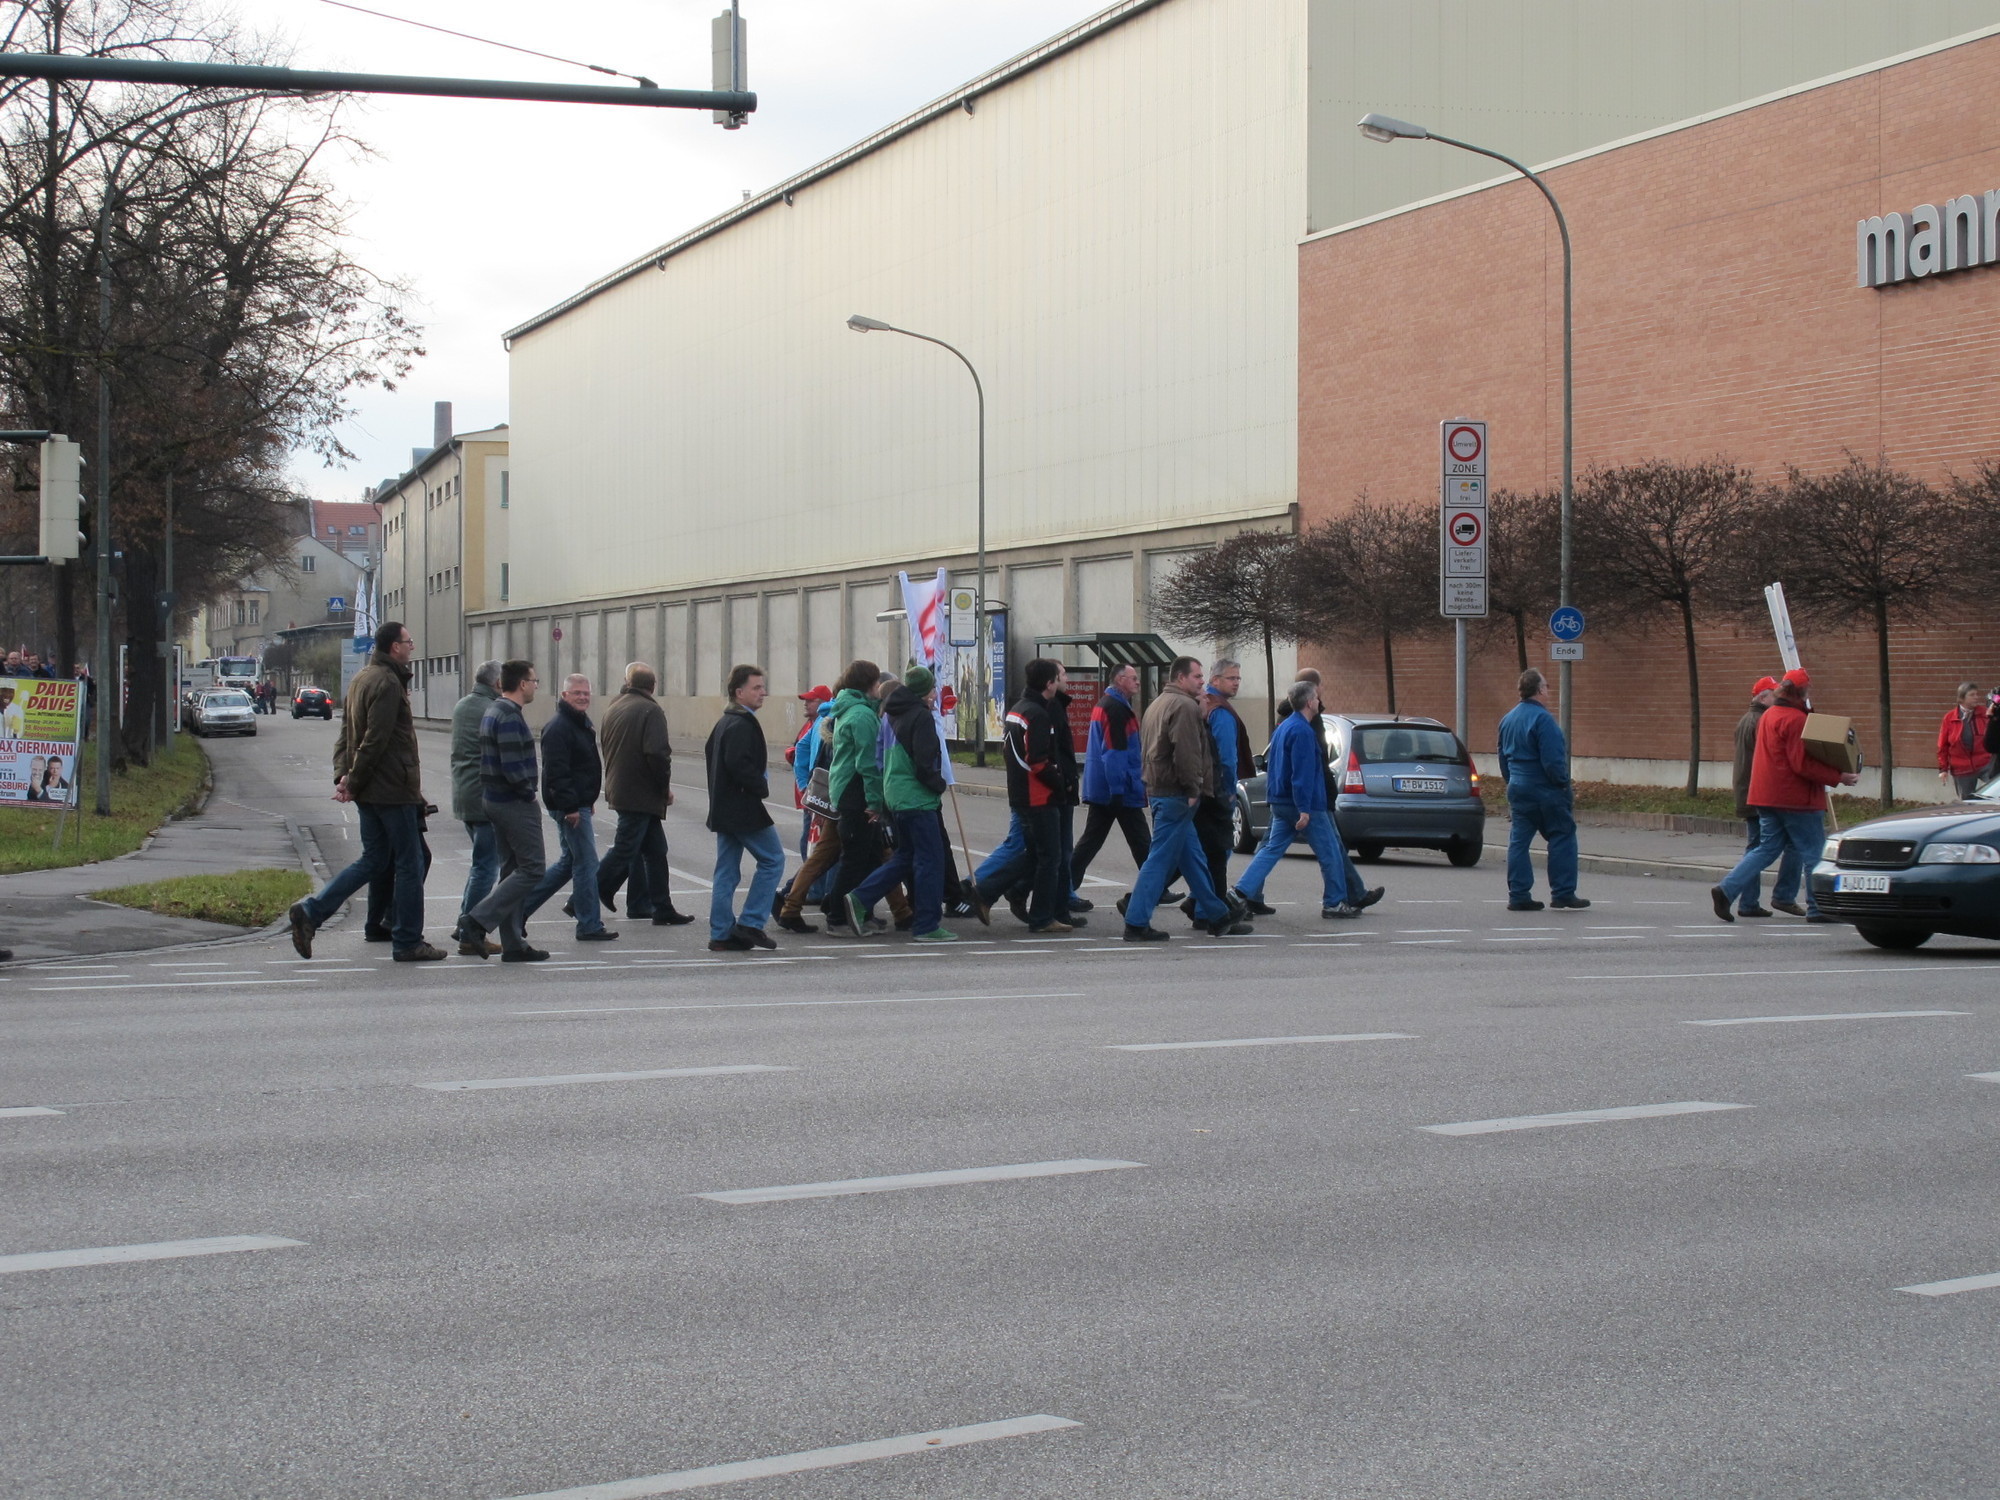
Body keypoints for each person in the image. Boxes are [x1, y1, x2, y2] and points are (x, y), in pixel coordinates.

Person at [287, 621, 445, 962]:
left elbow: (347, 733)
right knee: (411, 863)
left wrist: (344, 776)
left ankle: (314, 912)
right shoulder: (387, 682)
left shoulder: (362, 678)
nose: (412, 647)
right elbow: (375, 739)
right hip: (392, 788)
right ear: (394, 647)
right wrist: (352, 781)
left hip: (372, 789)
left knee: (375, 859)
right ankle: (407, 940)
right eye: (408, 641)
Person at [1714, 668, 1859, 924]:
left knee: (1766, 849)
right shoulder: (1795, 720)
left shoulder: (1769, 715)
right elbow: (1801, 764)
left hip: (1765, 795)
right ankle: (1818, 908)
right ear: (1801, 692)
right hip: (1795, 798)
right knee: (1813, 852)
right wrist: (1839, 776)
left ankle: (1727, 889)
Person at [1120, 656, 1248, 942]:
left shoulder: (1158, 703)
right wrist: (1193, 790)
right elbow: (1186, 753)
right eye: (1197, 676)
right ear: (1180, 677)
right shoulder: (1184, 706)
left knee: (1193, 858)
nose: (1202, 681)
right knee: (1159, 861)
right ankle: (1136, 921)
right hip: (1176, 794)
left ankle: (1216, 914)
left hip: (1162, 790)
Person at [847, 666, 958, 942]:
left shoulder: (889, 713)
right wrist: (938, 784)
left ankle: (861, 897)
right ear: (924, 691)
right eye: (933, 688)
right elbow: (924, 761)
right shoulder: (920, 716)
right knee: (931, 860)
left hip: (895, 795)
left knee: (906, 855)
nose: (935, 693)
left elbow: (879, 756)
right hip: (917, 798)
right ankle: (927, 925)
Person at [1231, 681, 1356, 918]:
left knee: (1270, 850)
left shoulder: (1283, 727)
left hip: (1281, 802)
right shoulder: (1303, 732)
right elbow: (1302, 774)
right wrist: (1304, 809)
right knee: (1330, 852)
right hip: (1306, 805)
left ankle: (1239, 892)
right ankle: (1334, 903)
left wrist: (1276, 799)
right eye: (1316, 698)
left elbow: (1274, 767)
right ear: (1309, 702)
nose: (1318, 701)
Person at [460, 660, 549, 961]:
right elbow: (512, 767)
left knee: (511, 870)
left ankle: (513, 945)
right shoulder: (509, 715)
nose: (535, 686)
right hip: (513, 802)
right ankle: (476, 920)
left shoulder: (493, 710)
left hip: (494, 799)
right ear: (522, 684)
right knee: (533, 868)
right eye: (534, 681)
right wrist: (528, 793)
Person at [520, 673, 616, 943]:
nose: (583, 697)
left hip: (577, 803)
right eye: (577, 693)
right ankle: (589, 924)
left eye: (586, 693)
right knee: (587, 863)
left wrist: (586, 801)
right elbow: (557, 773)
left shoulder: (578, 723)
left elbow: (582, 768)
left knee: (569, 862)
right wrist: (572, 806)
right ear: (564, 695)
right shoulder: (559, 727)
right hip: (569, 807)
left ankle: (517, 910)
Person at [596, 662, 693, 925]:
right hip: (640, 793)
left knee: (656, 850)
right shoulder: (651, 710)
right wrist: (663, 788)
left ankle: (662, 907)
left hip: (621, 787)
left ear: (629, 683)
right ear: (653, 685)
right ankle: (584, 895)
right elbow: (658, 754)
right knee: (625, 848)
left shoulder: (615, 706)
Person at [705, 664, 785, 952]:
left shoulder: (725, 722)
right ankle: (751, 922)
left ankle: (721, 933)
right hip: (742, 809)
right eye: (756, 687)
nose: (763, 692)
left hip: (725, 808)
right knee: (773, 860)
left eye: (762, 687)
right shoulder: (740, 724)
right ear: (739, 692)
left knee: (726, 871)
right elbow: (738, 764)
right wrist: (760, 786)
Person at [1496, 668, 1589, 912]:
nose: (1548, 691)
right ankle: (1563, 893)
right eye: (1546, 686)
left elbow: (1502, 758)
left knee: (1519, 841)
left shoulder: (1508, 719)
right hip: (1545, 789)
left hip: (1518, 787)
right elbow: (1553, 760)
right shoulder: (1543, 720)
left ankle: (1518, 895)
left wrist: (1512, 781)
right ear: (1539, 690)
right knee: (1562, 834)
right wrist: (1562, 783)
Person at [1293, 667, 1384, 911]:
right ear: (1313, 691)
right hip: (1313, 795)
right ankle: (1338, 900)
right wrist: (1315, 797)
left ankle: (1355, 892)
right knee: (1331, 848)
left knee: (1272, 848)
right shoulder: (1306, 721)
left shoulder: (1293, 717)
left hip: (1308, 794)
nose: (1321, 693)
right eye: (1319, 689)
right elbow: (1313, 761)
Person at [998, 659, 1073, 933]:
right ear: (1049, 683)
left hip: (1022, 793)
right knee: (1050, 857)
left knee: (1036, 855)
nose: (1062, 681)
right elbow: (1038, 761)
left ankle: (997, 891)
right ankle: (1042, 916)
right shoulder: (1038, 714)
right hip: (1038, 796)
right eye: (1058, 677)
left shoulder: (1018, 708)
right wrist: (1060, 783)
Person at [1072, 663, 1151, 890]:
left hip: (1107, 787)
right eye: (1133, 678)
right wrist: (1117, 789)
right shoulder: (1116, 710)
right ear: (1119, 680)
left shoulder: (1108, 704)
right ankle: (1156, 886)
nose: (1138, 682)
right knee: (1138, 840)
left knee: (1130, 840)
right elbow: (1114, 753)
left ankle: (1065, 887)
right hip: (1117, 788)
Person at [825, 658, 889, 930]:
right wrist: (875, 802)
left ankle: (861, 910)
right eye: (877, 681)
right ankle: (838, 917)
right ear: (870, 684)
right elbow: (868, 764)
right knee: (855, 860)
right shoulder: (861, 716)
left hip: (846, 789)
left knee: (871, 856)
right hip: (856, 793)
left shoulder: (852, 709)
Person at [1191, 658, 1254, 918]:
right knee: (1216, 851)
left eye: (1238, 678)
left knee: (1202, 851)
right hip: (1217, 791)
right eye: (1231, 678)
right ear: (1215, 680)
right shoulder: (1220, 710)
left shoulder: (1207, 704)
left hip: (1203, 788)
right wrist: (1229, 791)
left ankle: (1198, 902)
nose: (1236, 683)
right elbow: (1227, 758)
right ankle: (1205, 908)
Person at [449, 661, 504, 951]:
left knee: (479, 865)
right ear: (497, 683)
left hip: (464, 794)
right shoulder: (492, 709)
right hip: (484, 796)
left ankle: (464, 923)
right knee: (486, 868)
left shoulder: (462, 705)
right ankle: (470, 931)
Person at [1729, 676, 1783, 919]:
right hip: (1757, 792)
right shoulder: (1761, 721)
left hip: (1747, 791)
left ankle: (1749, 901)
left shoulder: (1746, 719)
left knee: (1756, 847)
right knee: (1759, 849)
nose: (1778, 698)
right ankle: (1747, 900)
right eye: (1774, 693)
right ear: (1763, 697)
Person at [1938, 681, 1990, 801]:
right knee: (1967, 801)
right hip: (1962, 767)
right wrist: (1943, 769)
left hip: (1985, 763)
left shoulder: (1985, 713)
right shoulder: (1950, 718)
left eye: (1977, 694)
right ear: (1962, 698)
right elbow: (1943, 745)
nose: (1976, 697)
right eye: (1972, 695)